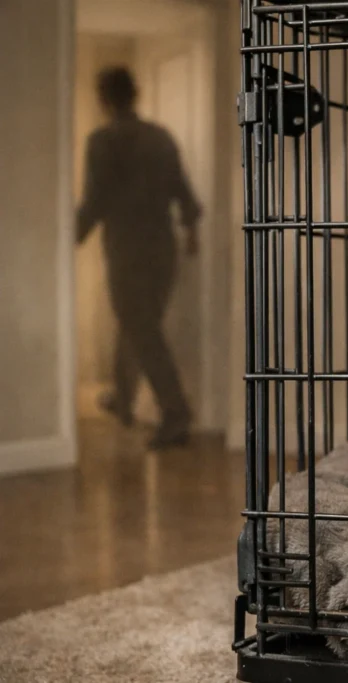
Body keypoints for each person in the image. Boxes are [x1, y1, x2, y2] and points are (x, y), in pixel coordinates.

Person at [76, 66, 200, 450]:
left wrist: (66, 239)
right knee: (137, 323)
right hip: (163, 247)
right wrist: (191, 233)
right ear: (135, 93)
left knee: (142, 329)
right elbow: (184, 192)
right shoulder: (160, 137)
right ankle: (123, 397)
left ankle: (176, 412)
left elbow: (96, 200)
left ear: (104, 98)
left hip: (128, 247)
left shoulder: (102, 140)